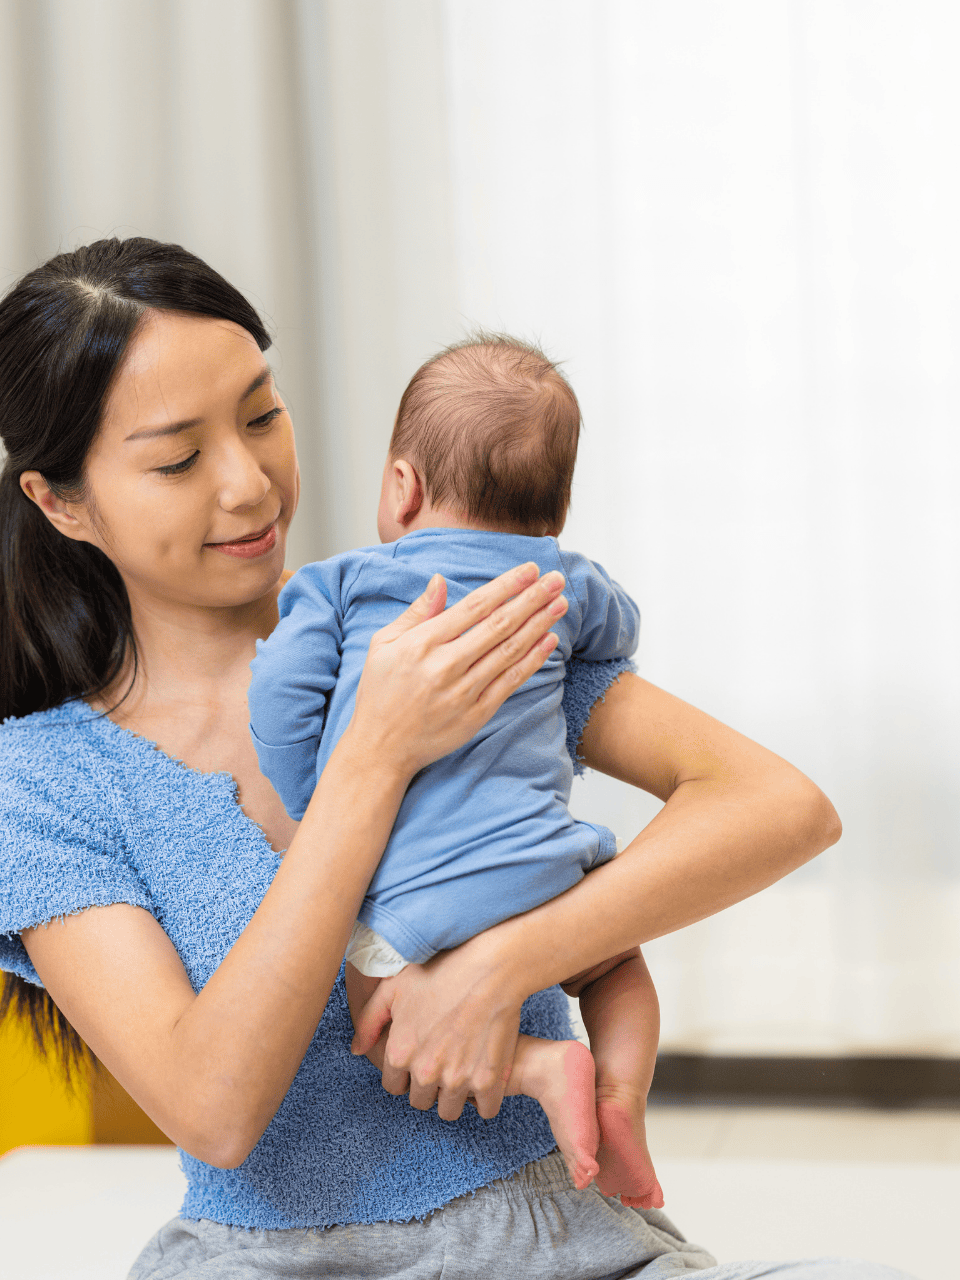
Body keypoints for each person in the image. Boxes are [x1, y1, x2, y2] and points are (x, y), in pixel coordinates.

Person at [0, 236, 912, 1278]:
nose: (249, 483)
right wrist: (372, 756)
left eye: (263, 414)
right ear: (62, 501)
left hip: (558, 1240)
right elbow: (212, 1108)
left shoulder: (441, 618)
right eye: (179, 458)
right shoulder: (38, 784)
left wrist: (510, 961)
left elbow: (780, 804)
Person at [247, 334, 661, 1207]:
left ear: (402, 487)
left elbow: (281, 697)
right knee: (614, 964)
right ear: (556, 509)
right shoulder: (558, 579)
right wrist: (562, 594)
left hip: (414, 897)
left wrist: (316, 796)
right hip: (550, 870)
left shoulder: (343, 583)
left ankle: (543, 1067)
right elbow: (620, 630)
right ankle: (620, 1097)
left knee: (376, 1016)